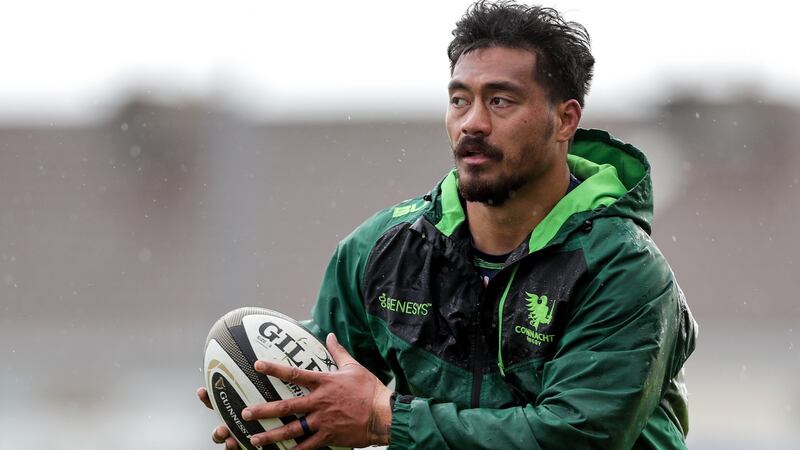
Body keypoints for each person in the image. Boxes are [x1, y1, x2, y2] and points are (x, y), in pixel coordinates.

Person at [198, 1, 698, 448]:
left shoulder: (622, 268)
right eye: (460, 100)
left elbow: (577, 435)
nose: (472, 123)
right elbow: (330, 390)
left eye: (500, 101)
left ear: (565, 120)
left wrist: (386, 420)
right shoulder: (382, 250)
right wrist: (272, 405)